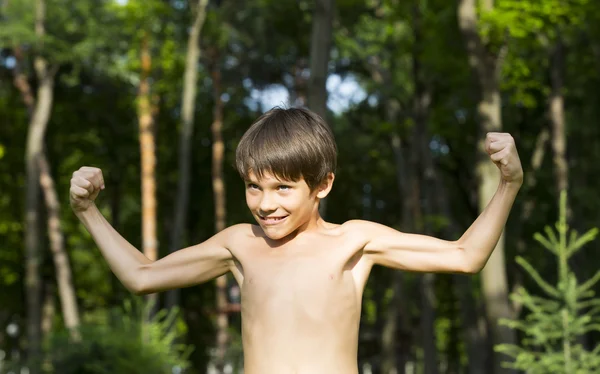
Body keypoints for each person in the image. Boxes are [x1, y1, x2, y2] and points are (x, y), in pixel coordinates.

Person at [70, 107, 523, 374]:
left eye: (283, 188)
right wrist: (88, 212)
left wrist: (508, 184)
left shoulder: (354, 241)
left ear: (321, 185)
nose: (266, 204)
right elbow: (141, 275)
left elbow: (466, 256)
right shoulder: (239, 245)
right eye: (254, 186)